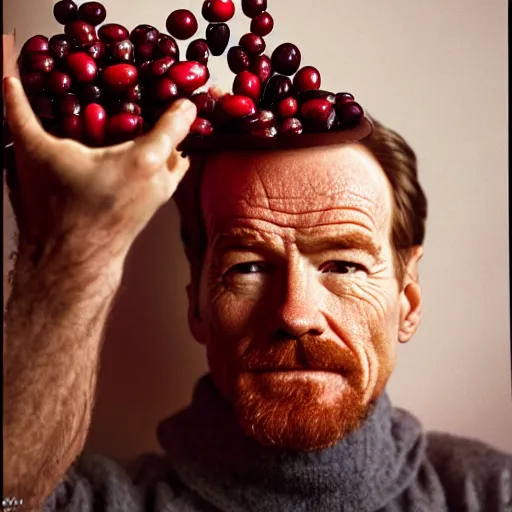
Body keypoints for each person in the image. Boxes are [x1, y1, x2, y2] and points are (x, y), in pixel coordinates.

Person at [3, 74, 511, 512]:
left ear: (408, 300)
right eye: (247, 266)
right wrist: (71, 256)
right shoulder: (89, 502)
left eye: (344, 265)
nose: (295, 314)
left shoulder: (492, 494)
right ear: (196, 303)